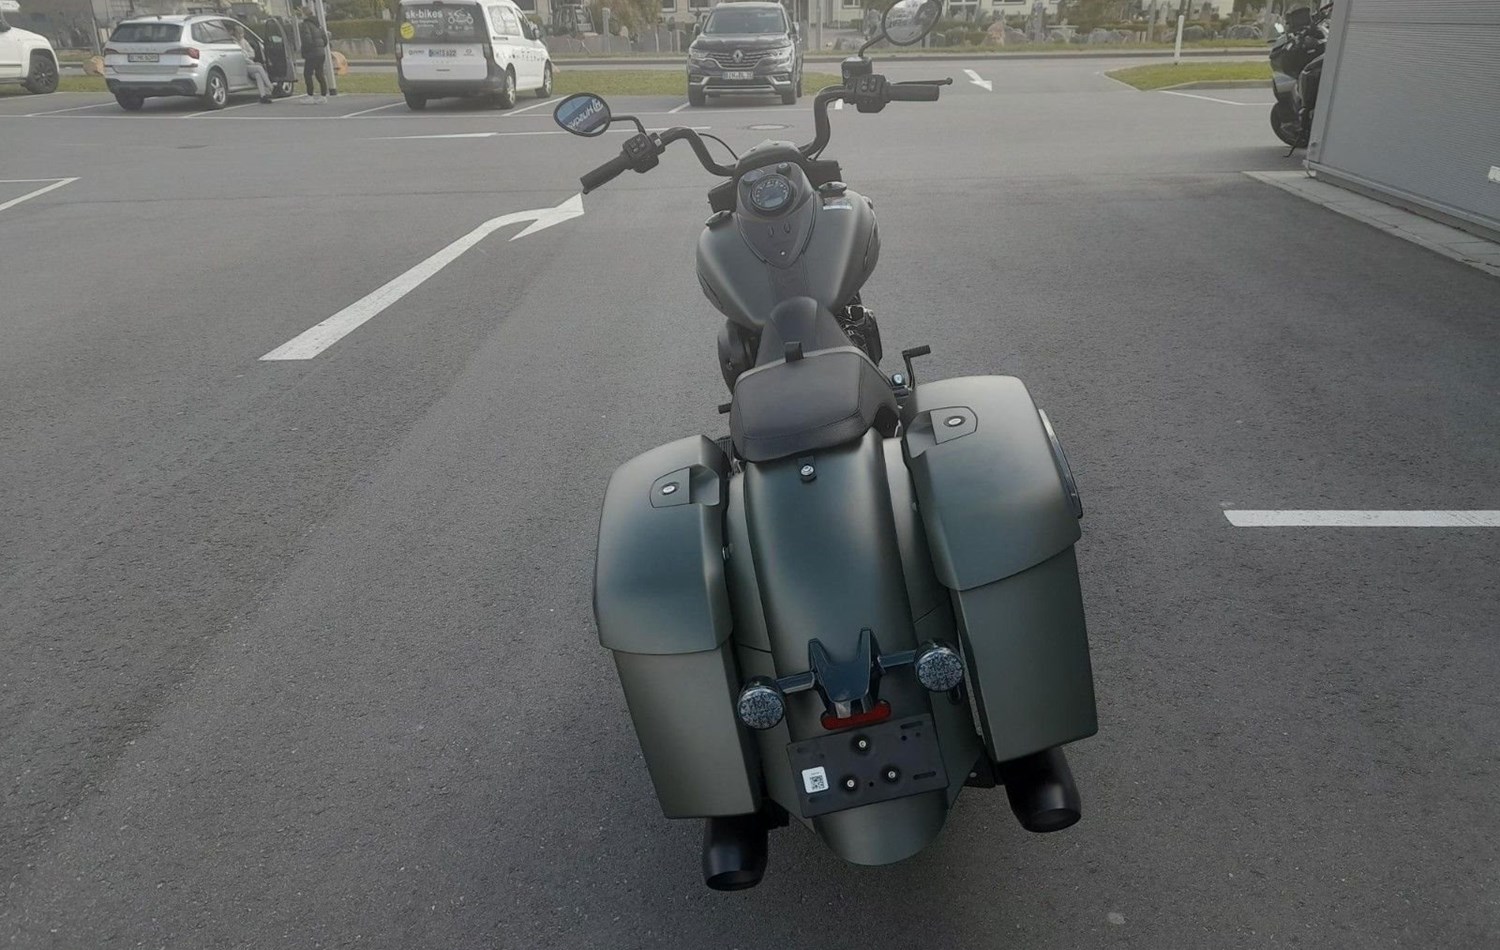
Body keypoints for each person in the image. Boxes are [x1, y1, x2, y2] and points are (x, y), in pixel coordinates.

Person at [232, 25, 274, 104]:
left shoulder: (244, 41)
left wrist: (248, 56)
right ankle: (270, 86)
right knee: (259, 68)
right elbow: (241, 56)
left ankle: (263, 96)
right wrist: (248, 57)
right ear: (235, 33)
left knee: (258, 75)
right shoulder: (234, 43)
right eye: (239, 33)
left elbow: (252, 53)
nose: (241, 35)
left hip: (249, 63)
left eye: (242, 33)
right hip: (242, 65)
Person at [298, 8, 329, 103]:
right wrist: (320, 47)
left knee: (307, 74)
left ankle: (310, 96)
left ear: (304, 14)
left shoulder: (305, 25)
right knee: (320, 74)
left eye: (301, 13)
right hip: (321, 53)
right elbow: (325, 40)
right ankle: (323, 95)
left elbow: (306, 40)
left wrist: (305, 51)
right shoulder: (318, 24)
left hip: (312, 53)